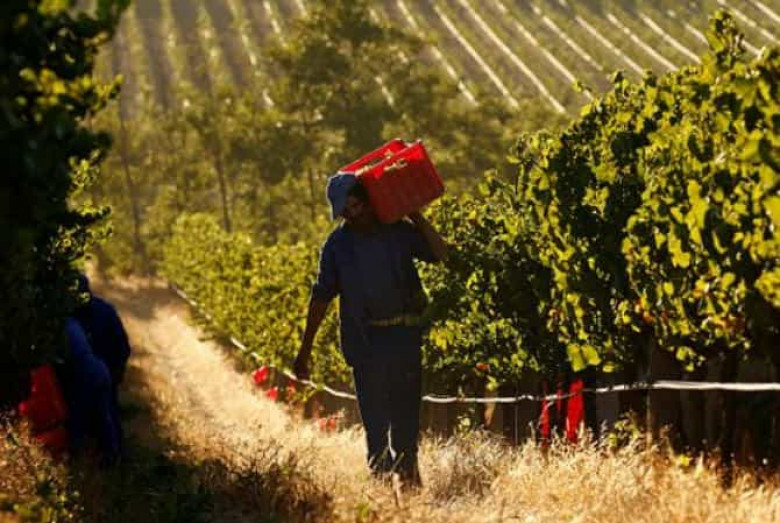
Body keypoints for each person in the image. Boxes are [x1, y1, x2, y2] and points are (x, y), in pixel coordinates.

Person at [293, 172, 447, 487]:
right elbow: (321, 297)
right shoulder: (337, 246)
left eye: (356, 206)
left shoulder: (398, 230)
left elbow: (441, 254)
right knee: (375, 422)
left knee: (406, 416)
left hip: (404, 336)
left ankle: (409, 481)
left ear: (368, 200)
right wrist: (304, 350)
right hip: (364, 343)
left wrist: (415, 214)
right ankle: (381, 489)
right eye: (346, 211)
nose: (353, 215)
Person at [59, 317, 122, 465]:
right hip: (99, 369)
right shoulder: (73, 323)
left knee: (78, 419)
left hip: (86, 375)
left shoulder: (59, 329)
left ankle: (78, 460)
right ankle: (113, 456)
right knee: (104, 416)